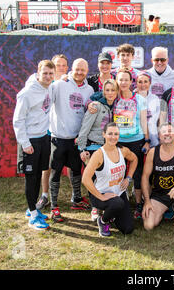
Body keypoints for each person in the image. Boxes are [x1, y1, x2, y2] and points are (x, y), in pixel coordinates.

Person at [48, 58, 94, 222]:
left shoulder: (89, 89)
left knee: (75, 170)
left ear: (87, 71)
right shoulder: (60, 84)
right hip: (58, 137)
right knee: (56, 172)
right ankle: (54, 207)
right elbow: (46, 100)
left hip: (76, 139)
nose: (80, 72)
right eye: (77, 69)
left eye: (83, 69)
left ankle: (76, 199)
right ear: (71, 70)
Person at [13, 60, 54, 230]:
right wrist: (25, 143)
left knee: (38, 175)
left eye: (51, 73)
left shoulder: (50, 87)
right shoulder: (27, 93)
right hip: (30, 142)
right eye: (45, 73)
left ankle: (33, 210)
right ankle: (32, 214)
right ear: (38, 73)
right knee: (31, 179)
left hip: (43, 138)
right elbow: (18, 119)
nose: (48, 76)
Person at [81, 122, 138, 237]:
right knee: (117, 203)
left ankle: (112, 215)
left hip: (118, 193)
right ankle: (103, 221)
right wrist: (101, 196)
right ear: (104, 134)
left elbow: (134, 159)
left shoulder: (123, 150)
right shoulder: (99, 155)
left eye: (116, 134)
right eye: (110, 133)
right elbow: (85, 179)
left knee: (128, 229)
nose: (113, 137)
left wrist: (128, 178)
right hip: (100, 194)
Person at [77, 79, 119, 222]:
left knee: (106, 179)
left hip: (107, 148)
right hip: (92, 147)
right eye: (107, 90)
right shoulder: (95, 106)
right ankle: (95, 207)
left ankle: (107, 207)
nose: (110, 93)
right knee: (93, 179)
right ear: (103, 91)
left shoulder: (116, 107)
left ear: (117, 92)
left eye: (113, 90)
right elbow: (84, 128)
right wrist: (82, 149)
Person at [113, 68, 150, 219]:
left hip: (136, 140)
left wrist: (147, 141)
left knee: (138, 172)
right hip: (118, 141)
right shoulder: (113, 97)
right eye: (120, 79)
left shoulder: (139, 99)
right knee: (118, 172)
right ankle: (118, 200)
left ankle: (139, 203)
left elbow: (143, 121)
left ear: (131, 82)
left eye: (126, 80)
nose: (123, 82)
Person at [35, 54, 70, 211]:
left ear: (67, 68)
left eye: (64, 65)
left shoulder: (68, 83)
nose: (61, 68)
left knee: (70, 164)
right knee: (47, 166)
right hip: (48, 131)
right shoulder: (45, 84)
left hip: (65, 132)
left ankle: (75, 195)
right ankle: (44, 196)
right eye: (58, 65)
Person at [136, 71, 161, 148]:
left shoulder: (155, 99)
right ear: (136, 83)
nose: (143, 85)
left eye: (145, 81)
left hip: (153, 138)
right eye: (140, 82)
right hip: (137, 138)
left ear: (150, 83)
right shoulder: (132, 98)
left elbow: (159, 120)